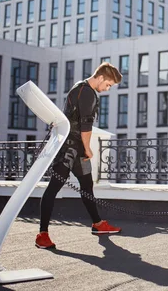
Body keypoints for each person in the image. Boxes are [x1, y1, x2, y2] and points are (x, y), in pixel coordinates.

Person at [35, 62, 123, 249]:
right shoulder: (88, 93)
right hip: (69, 149)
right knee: (53, 187)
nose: (107, 89)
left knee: (87, 186)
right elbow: (85, 127)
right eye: (108, 85)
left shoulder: (79, 87)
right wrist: (88, 149)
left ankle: (98, 224)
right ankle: (42, 234)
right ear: (100, 78)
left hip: (74, 148)